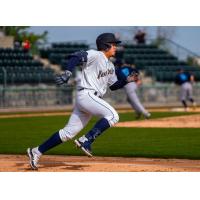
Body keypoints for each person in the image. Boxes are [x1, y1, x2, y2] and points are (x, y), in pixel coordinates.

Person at [27, 33, 138, 170]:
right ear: (106, 45)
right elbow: (76, 56)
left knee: (68, 133)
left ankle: (36, 151)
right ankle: (86, 139)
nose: (116, 47)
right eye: (114, 44)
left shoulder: (110, 66)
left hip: (89, 99)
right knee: (113, 116)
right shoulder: (96, 55)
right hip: (87, 94)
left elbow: (113, 86)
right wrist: (68, 73)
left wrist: (126, 81)